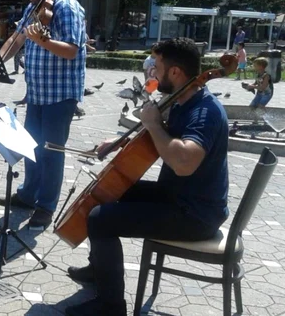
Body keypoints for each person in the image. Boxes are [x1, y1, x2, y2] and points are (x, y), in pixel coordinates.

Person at [64, 38, 229, 316]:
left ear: (175, 72)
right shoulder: (182, 99)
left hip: (195, 214)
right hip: (177, 197)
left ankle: (111, 307)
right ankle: (99, 269)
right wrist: (117, 141)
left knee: (100, 220)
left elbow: (184, 163)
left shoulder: (204, 112)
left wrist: (153, 123)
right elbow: (158, 139)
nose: (152, 71)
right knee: (109, 190)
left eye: (157, 66)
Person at [0, 0, 87, 228]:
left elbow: (72, 49)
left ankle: (46, 207)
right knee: (31, 146)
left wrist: (43, 41)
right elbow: (17, 38)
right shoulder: (33, 7)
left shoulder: (67, 7)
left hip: (60, 96)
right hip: (36, 93)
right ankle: (28, 195)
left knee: (51, 152)